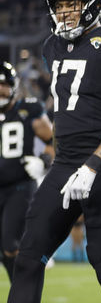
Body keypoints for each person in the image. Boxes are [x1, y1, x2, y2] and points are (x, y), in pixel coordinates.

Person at [8, 0, 101, 303]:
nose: (64, 12)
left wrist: (93, 165)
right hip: (64, 164)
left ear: (92, 3)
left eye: (72, 3)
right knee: (27, 257)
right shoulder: (52, 47)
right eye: (59, 5)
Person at [0, 62, 53, 281]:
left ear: (13, 85)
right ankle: (20, 290)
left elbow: (53, 141)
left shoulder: (27, 108)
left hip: (20, 185)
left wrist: (43, 161)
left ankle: (24, 291)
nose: (0, 90)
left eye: (3, 84)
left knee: (11, 244)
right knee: (5, 249)